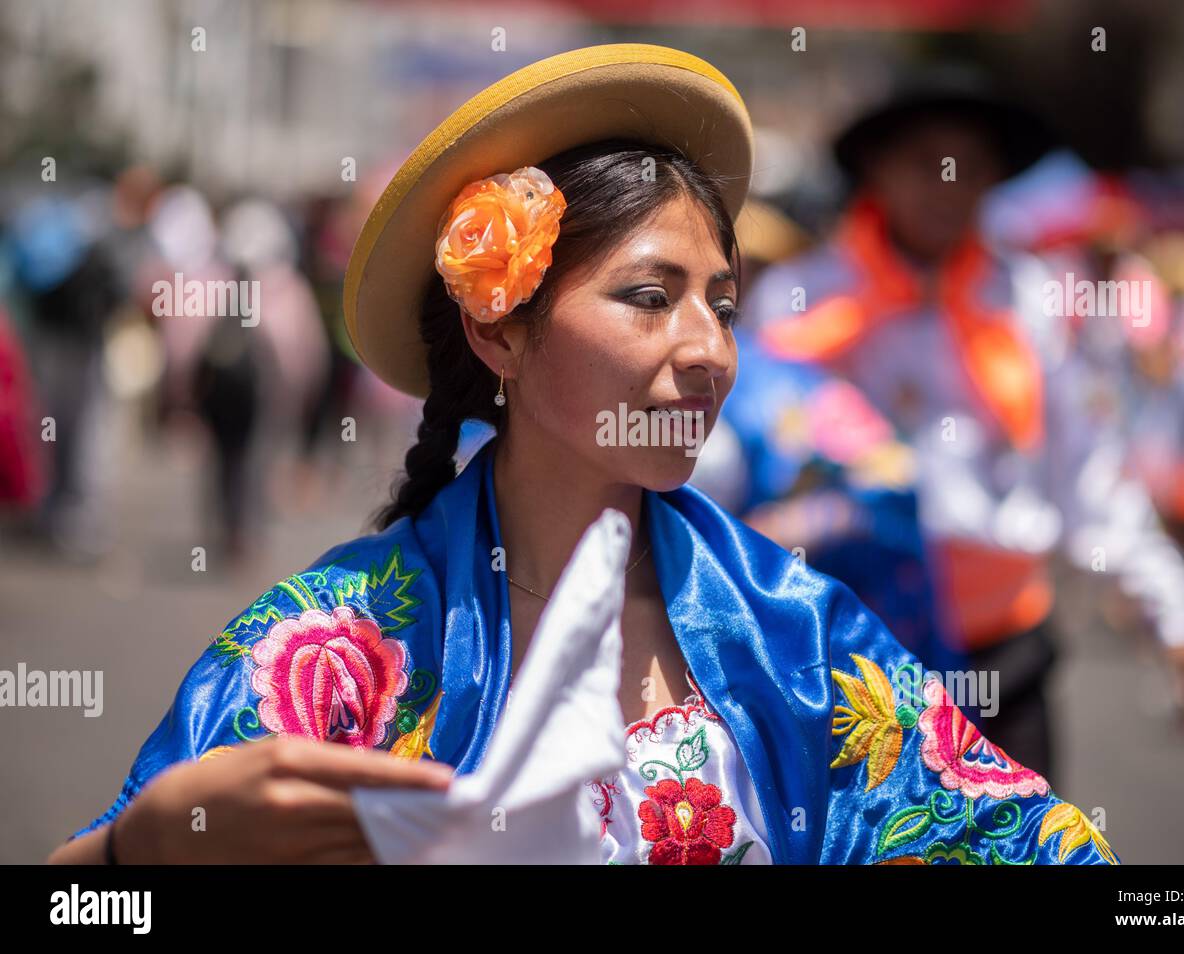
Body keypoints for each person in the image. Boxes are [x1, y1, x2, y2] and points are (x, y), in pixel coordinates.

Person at [49, 44, 1116, 866]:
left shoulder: (799, 637)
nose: (706, 352)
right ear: (498, 329)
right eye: (649, 299)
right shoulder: (334, 654)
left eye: (725, 306)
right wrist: (138, 850)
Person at [744, 72, 1184, 783]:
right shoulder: (803, 301)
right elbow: (750, 462)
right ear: (876, 168)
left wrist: (1167, 602)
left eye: (969, 165)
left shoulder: (1028, 301)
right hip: (853, 654)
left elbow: (1086, 463)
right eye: (925, 159)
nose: (948, 182)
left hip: (1008, 646)